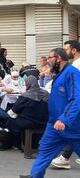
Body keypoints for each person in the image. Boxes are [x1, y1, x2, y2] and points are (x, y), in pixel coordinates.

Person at [20, 48, 80, 178]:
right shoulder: (59, 73)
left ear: (58, 59)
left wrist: (64, 119)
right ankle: (35, 175)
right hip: (54, 125)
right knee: (44, 151)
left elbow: (76, 98)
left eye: (50, 57)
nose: (48, 60)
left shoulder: (72, 73)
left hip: (73, 127)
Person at [50, 40, 80, 169]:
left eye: (66, 49)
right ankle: (64, 157)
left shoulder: (76, 65)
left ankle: (64, 157)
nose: (64, 52)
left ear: (73, 51)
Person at [5, 76, 49, 148]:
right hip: (44, 122)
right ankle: (34, 142)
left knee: (10, 122)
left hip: (29, 122)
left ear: (27, 84)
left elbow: (15, 109)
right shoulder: (46, 94)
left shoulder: (25, 96)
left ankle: (18, 144)